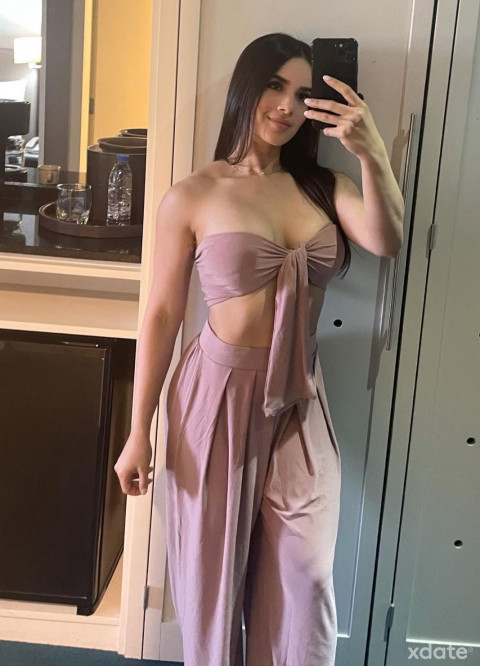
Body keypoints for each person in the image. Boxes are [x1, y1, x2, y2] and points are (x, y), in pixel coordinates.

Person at [114, 32, 404, 666]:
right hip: (215, 397)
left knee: (307, 579)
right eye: (275, 86)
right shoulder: (194, 194)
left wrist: (373, 153)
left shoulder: (325, 185)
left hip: (300, 401)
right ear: (246, 88)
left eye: (302, 94)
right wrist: (139, 430)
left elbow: (387, 240)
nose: (287, 106)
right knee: (213, 583)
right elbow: (162, 314)